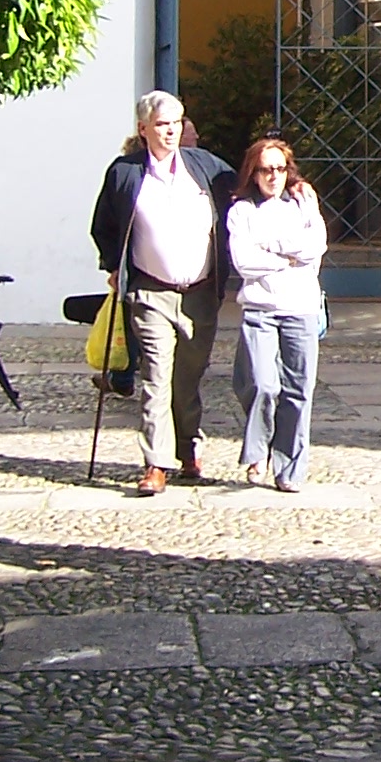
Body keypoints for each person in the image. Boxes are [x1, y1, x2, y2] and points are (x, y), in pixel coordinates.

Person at [89, 90, 236, 495]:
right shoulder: (125, 172)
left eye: (175, 123)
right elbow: (103, 226)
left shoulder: (205, 167)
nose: (170, 131)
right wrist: (113, 267)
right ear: (143, 129)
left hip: (200, 294)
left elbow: (243, 196)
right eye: (161, 125)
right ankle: (156, 463)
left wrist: (291, 191)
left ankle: (189, 449)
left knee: (187, 380)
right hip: (151, 293)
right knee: (156, 378)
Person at [228, 136, 326, 491]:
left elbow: (315, 247)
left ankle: (290, 469)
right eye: (266, 170)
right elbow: (244, 261)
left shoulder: (302, 204)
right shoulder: (242, 211)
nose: (273, 176)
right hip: (260, 309)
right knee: (261, 385)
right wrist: (288, 258)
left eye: (280, 169)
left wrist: (271, 247)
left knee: (299, 390)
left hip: (300, 309)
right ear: (253, 173)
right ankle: (257, 451)